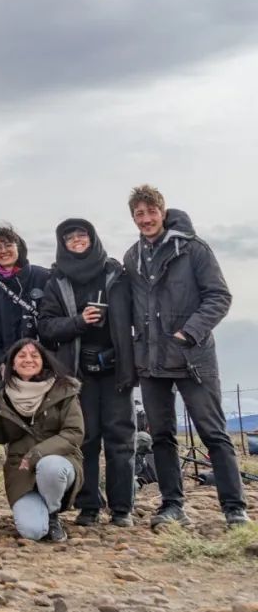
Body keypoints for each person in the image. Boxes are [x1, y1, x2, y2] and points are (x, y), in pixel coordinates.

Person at [122, 185, 249, 528]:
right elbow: (132, 308)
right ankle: (172, 504)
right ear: (133, 218)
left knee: (214, 432)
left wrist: (188, 333)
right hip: (150, 362)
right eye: (139, 214)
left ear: (163, 212)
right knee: (161, 435)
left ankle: (234, 508)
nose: (146, 219)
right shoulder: (132, 257)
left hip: (193, 358)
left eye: (151, 212)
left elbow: (219, 296)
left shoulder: (194, 250)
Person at [38, 219, 137, 528]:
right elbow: (47, 326)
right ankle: (89, 506)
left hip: (116, 369)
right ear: (62, 243)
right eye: (70, 237)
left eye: (82, 235)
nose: (77, 240)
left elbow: (140, 312)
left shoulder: (116, 274)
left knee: (121, 439)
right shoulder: (57, 281)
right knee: (86, 439)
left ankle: (122, 509)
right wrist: (79, 321)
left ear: (92, 238)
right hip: (78, 374)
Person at [0, 339, 84, 543]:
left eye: (35, 356)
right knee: (32, 532)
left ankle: (52, 514)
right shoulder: (3, 395)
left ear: (44, 361)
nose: (28, 360)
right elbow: (2, 435)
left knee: (49, 466)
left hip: (59, 462)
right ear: (12, 363)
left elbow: (74, 432)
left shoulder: (64, 389)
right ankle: (39, 513)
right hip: (21, 472)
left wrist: (37, 453)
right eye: (22, 356)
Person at [0, 225, 50, 377]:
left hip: (46, 360)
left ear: (20, 248)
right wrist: (2, 360)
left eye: (8, 245)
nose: (3, 251)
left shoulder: (43, 276)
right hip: (10, 364)